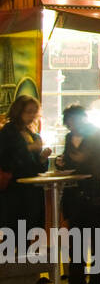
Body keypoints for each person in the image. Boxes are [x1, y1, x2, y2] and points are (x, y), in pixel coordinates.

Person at [55, 106, 100, 284]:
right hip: (76, 198)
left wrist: (86, 159)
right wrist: (62, 162)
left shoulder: (97, 135)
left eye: (77, 120)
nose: (74, 125)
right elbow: (71, 163)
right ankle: (76, 283)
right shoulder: (68, 138)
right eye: (71, 122)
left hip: (98, 196)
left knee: (97, 242)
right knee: (76, 242)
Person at [0, 96, 52, 237]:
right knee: (13, 233)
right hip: (15, 192)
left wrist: (42, 158)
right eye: (28, 112)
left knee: (28, 232)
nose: (32, 116)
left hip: (31, 191)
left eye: (34, 112)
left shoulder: (31, 133)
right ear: (18, 111)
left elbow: (36, 167)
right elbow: (6, 159)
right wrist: (29, 148)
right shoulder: (8, 132)